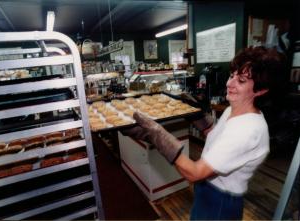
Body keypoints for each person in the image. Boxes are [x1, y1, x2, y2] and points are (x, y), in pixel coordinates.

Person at [122, 46, 287, 220]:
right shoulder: (233, 110)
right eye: (232, 75)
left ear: (261, 90)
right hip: (206, 191)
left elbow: (194, 173)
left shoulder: (248, 130)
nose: (229, 83)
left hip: (220, 201)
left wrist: (156, 135)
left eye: (242, 80)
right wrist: (196, 114)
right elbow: (216, 136)